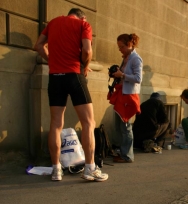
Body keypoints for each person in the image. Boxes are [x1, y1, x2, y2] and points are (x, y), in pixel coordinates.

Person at [34, 8, 108, 182]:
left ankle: (56, 170)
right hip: (74, 75)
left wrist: (52, 61)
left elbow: (38, 46)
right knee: (89, 122)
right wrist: (84, 65)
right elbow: (87, 50)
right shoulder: (84, 24)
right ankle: (90, 169)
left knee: (56, 124)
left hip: (55, 77)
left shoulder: (52, 23)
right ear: (82, 16)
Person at [109, 33, 142, 162]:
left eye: (121, 47)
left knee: (126, 127)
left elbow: (138, 78)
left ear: (129, 45)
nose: (120, 50)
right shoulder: (126, 57)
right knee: (120, 126)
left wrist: (122, 75)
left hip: (129, 96)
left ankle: (127, 156)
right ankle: (123, 152)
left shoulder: (136, 59)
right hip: (122, 94)